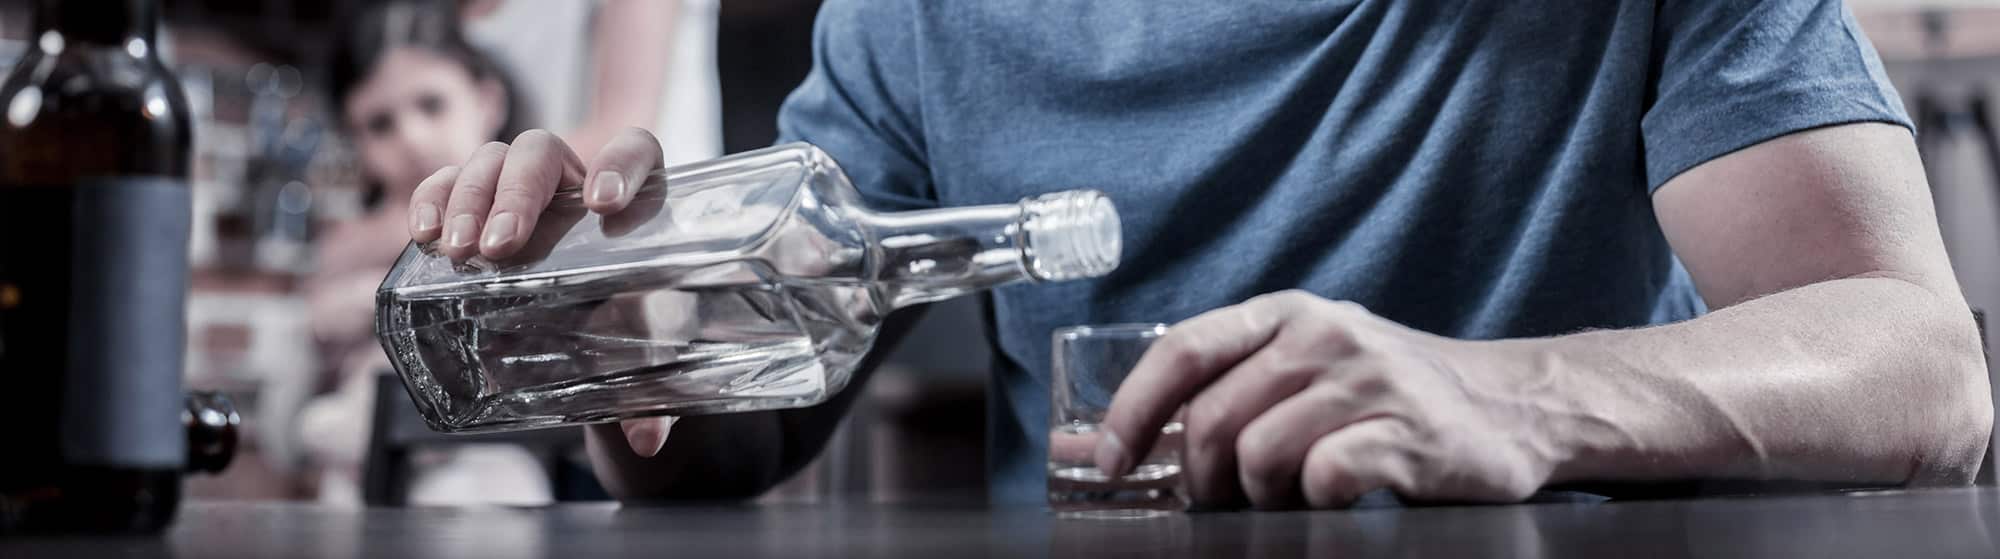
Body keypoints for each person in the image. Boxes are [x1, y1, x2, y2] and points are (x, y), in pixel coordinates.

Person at [403, 1, 1994, 508]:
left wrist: (1514, 397)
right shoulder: (921, 18)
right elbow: (735, 438)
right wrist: (621, 328)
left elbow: (1922, 364)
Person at [300, 0, 549, 506]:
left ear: (488, 101)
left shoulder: (526, 217)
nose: (411, 138)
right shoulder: (347, 240)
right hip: (360, 467)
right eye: (379, 125)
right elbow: (312, 342)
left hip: (489, 458)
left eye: (432, 105)